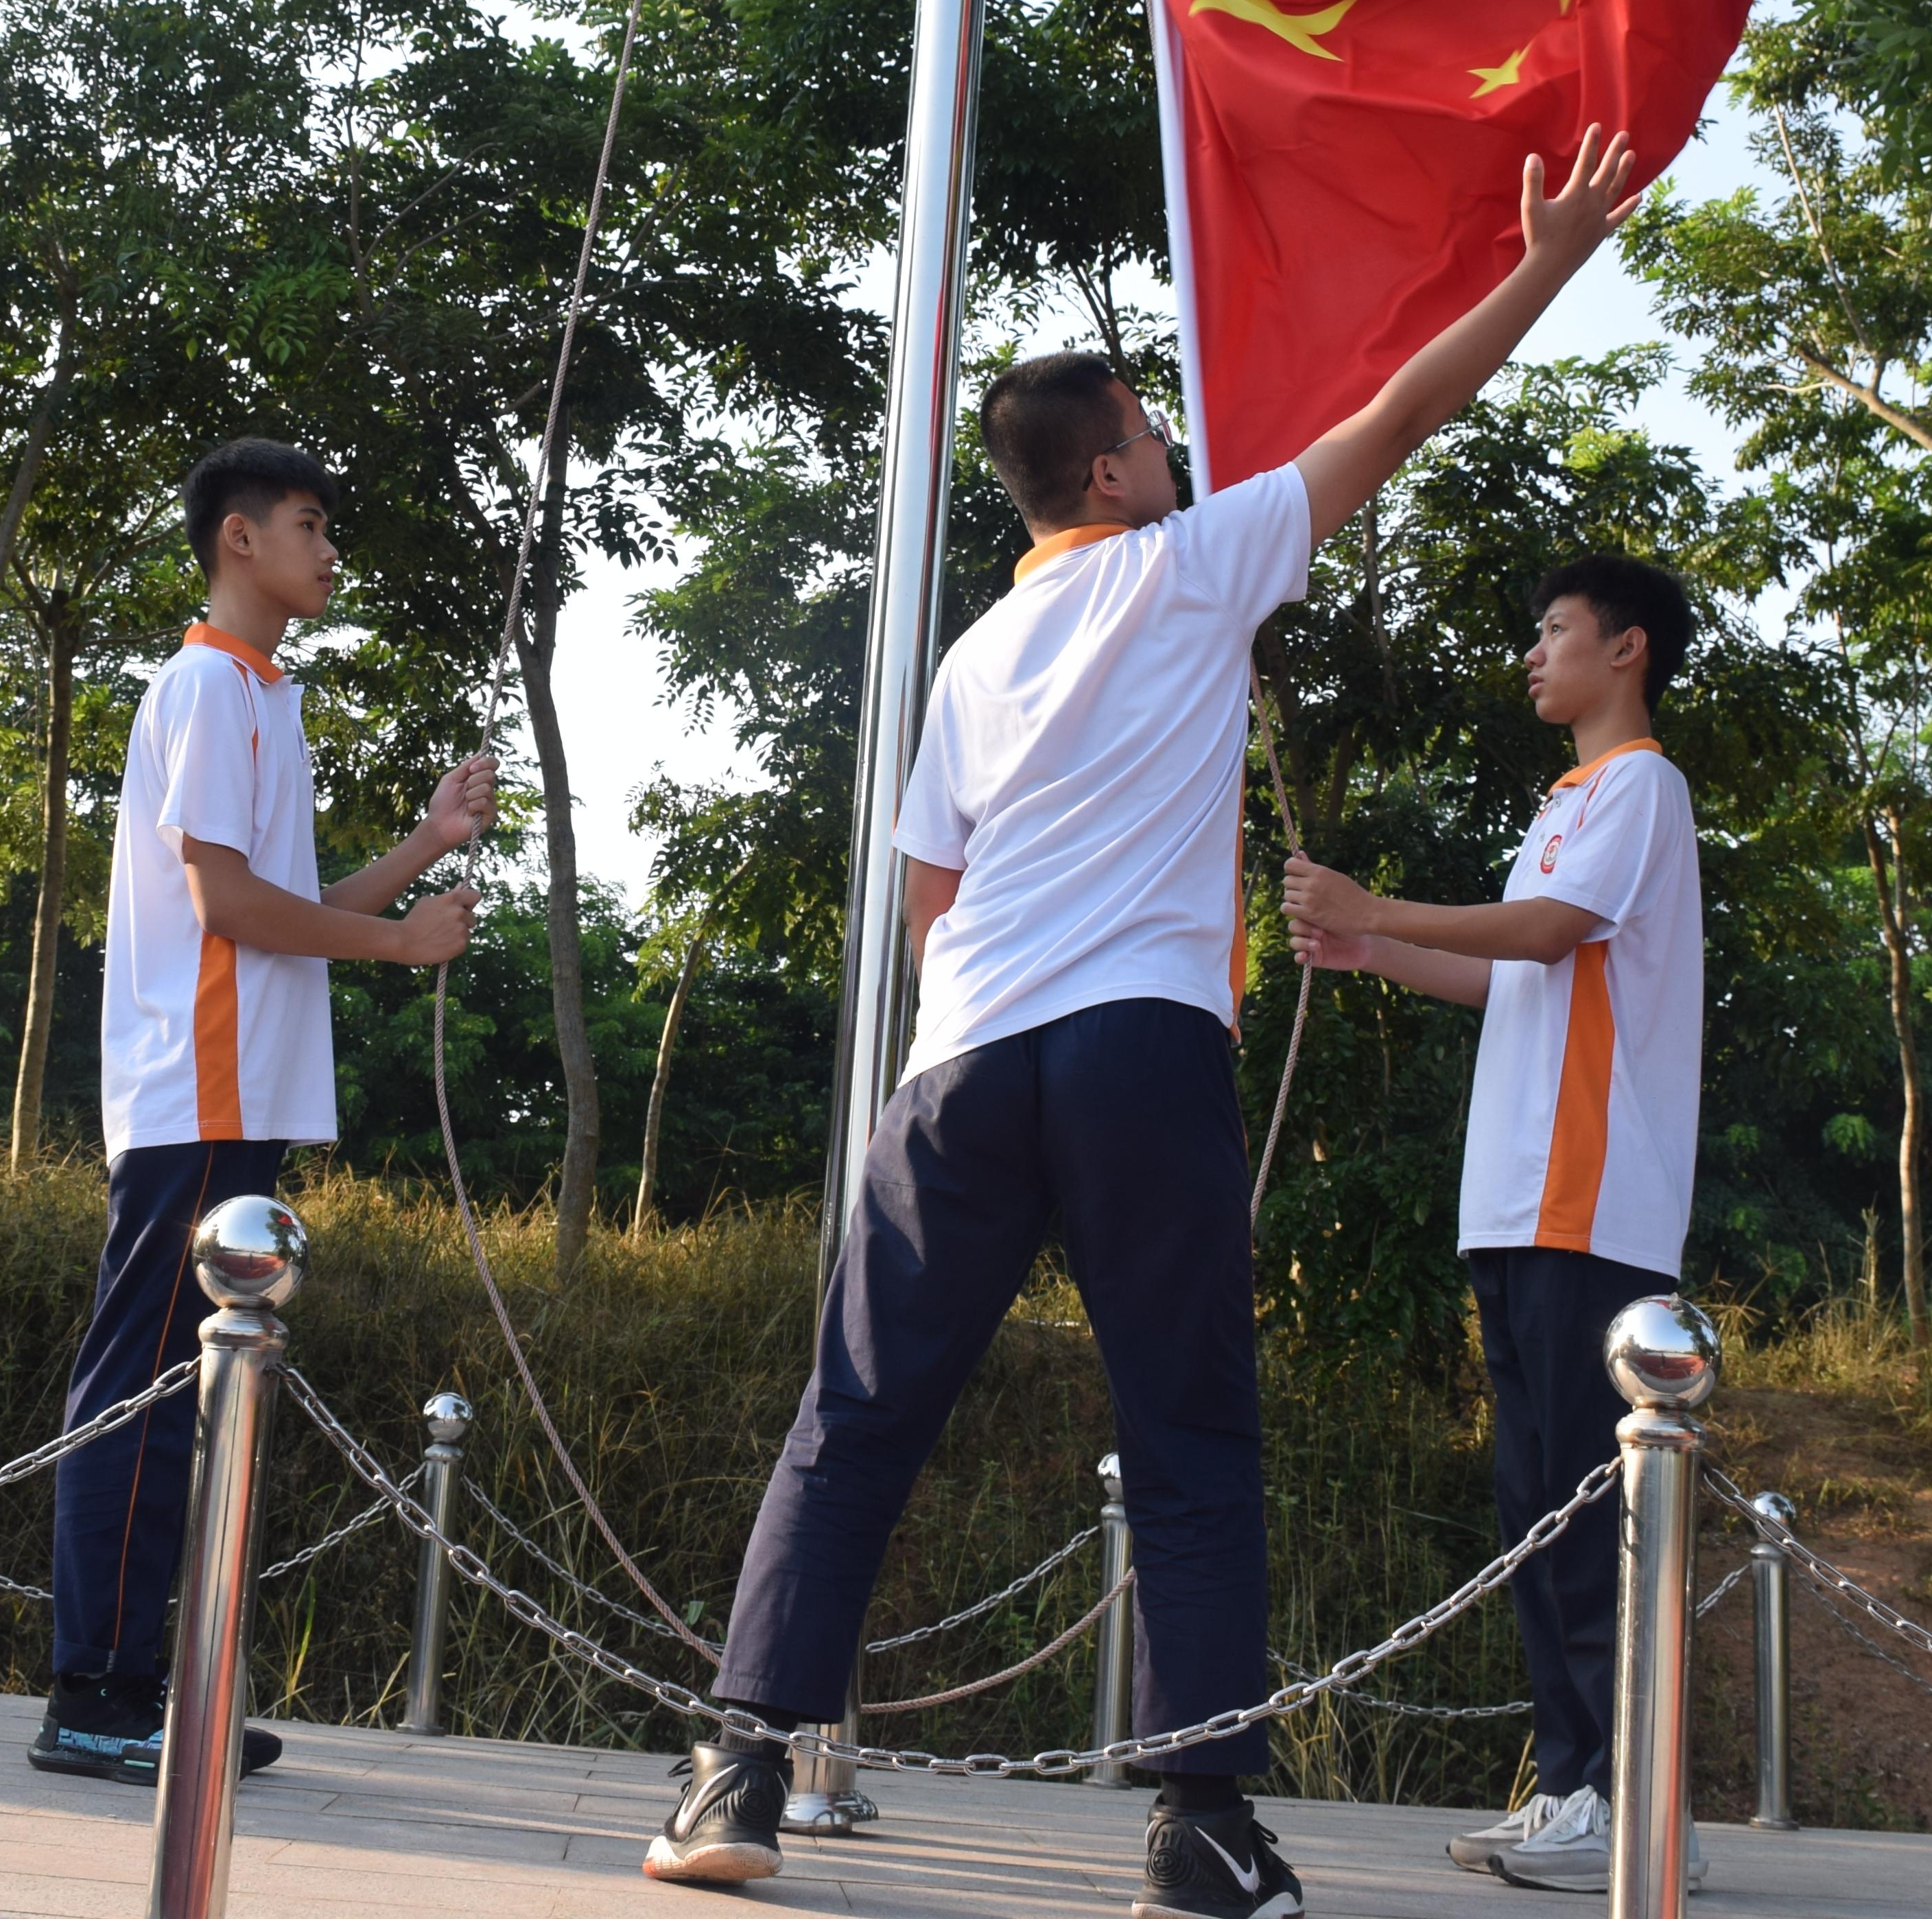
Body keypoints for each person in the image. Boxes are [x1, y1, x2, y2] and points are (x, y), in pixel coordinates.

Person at [641, 128, 1641, 1919]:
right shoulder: (1192, 562)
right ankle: (1200, 1833)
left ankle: (738, 1769)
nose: (1182, 445)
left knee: (855, 1416)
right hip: (1137, 1046)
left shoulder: (968, 655)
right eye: (1155, 426)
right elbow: (1404, 418)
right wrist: (1549, 257)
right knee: (1188, 1436)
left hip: (961, 1059)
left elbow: (933, 894)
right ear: (1110, 464)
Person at [32, 438, 495, 1785]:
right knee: (144, 1393)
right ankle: (97, 1697)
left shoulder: (261, 698)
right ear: (239, 538)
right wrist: (406, 946)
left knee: (188, 1392)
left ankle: (139, 1691)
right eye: (311, 522)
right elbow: (227, 905)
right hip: (198, 1097)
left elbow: (282, 917)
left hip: (237, 1100)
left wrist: (419, 849)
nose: (330, 548)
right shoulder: (204, 686)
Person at [1277, 551, 1704, 1896]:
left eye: (1556, 628)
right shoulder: (1570, 799)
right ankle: (1578, 1785)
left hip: (1591, 1207)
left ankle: (1634, 1804)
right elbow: (1515, 968)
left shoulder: (1640, 785)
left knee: (1588, 1511)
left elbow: (1553, 926)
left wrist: (1375, 902)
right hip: (1519, 1207)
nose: (1536, 650)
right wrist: (1372, 947)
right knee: (1537, 1507)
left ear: (1626, 649)